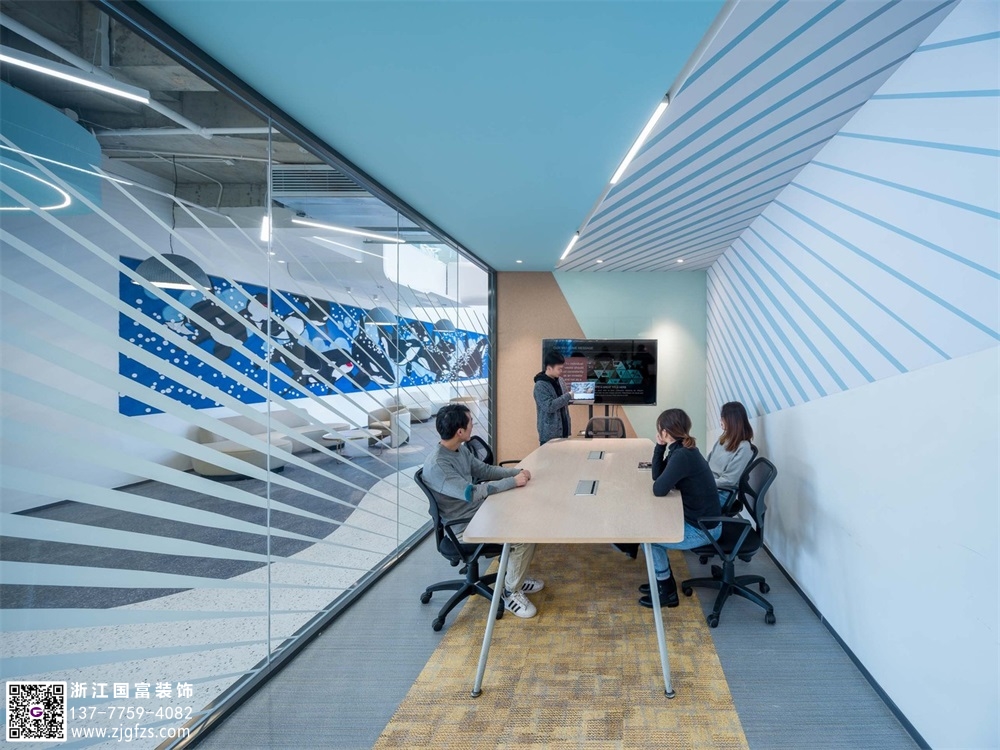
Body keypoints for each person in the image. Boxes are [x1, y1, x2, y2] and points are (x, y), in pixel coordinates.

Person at [421, 403, 545, 618]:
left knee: (526, 516)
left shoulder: (459, 449)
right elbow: (472, 493)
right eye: (470, 422)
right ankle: (510, 592)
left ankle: (515, 576)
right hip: (463, 526)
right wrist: (513, 482)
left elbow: (484, 470)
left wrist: (517, 472)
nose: (473, 425)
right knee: (523, 535)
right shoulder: (439, 465)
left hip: (478, 512)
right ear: (460, 431)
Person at [638, 408, 722, 608]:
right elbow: (658, 476)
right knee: (652, 528)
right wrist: (660, 447)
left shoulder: (682, 455)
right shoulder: (682, 449)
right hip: (703, 521)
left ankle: (666, 591)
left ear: (665, 431)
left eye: (660, 430)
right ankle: (661, 581)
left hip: (704, 529)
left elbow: (658, 489)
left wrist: (660, 447)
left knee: (649, 540)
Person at [705, 401, 755, 507]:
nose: (720, 420)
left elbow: (729, 480)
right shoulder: (722, 440)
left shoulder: (744, 447)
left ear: (732, 420)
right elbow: (707, 464)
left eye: (723, 418)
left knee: (683, 502)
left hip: (721, 493)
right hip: (709, 487)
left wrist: (703, 483)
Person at [533, 350, 572, 444]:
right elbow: (549, 406)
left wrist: (575, 397)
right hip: (549, 435)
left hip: (564, 431)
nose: (561, 371)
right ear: (549, 368)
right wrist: (568, 395)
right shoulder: (540, 385)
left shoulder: (560, 380)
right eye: (559, 369)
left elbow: (563, 401)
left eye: (562, 368)